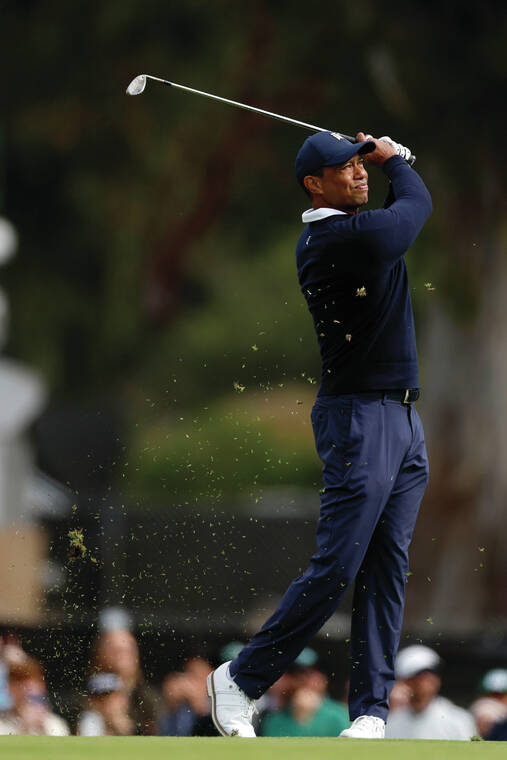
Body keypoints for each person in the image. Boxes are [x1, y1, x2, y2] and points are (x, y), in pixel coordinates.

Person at [207, 130, 432, 739]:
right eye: (345, 168)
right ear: (314, 184)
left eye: (361, 164)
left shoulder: (359, 229)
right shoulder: (331, 240)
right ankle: (240, 679)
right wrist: (396, 163)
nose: (359, 174)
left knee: (387, 570)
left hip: (403, 419)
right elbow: (413, 211)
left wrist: (391, 167)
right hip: (358, 419)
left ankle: (370, 712)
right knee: (338, 565)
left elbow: (401, 214)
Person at [385, 645, 476, 740]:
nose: (428, 680)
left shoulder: (459, 719)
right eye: (420, 675)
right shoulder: (391, 722)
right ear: (404, 681)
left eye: (432, 673)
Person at [89, 628, 159, 735]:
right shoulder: (88, 694)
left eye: (126, 651)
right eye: (114, 650)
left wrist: (126, 728)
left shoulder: (148, 701)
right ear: (100, 653)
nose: (120, 656)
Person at [261, 661, 349, 737]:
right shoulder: (275, 720)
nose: (304, 680)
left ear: (323, 679)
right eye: (297, 675)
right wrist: (301, 716)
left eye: (310, 674)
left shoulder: (338, 716)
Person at [0, 655, 69, 736]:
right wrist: (25, 727)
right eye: (17, 681)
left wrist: (41, 727)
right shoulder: (3, 721)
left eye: (28, 682)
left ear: (40, 685)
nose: (23, 688)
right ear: (9, 686)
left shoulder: (52, 723)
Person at [77, 672, 133, 736]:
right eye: (99, 697)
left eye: (114, 695)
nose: (108, 701)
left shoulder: (136, 718)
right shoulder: (89, 722)